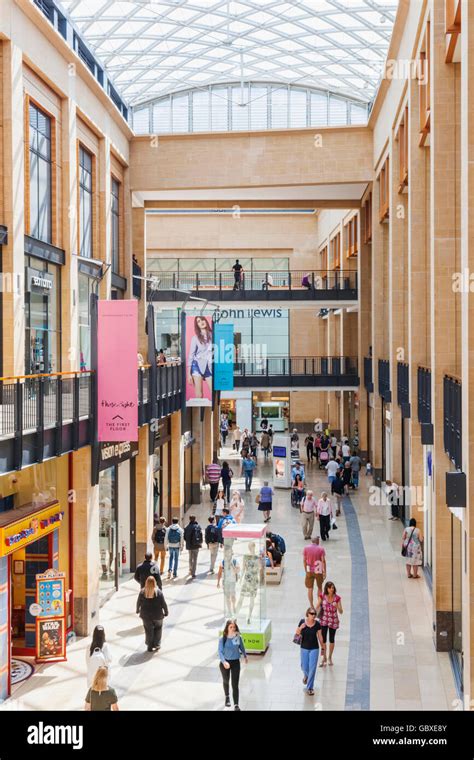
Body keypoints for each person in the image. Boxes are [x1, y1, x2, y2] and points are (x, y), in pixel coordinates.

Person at [295, 608, 325, 696]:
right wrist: (301, 628)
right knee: (304, 666)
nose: (313, 615)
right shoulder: (302, 622)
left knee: (312, 668)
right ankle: (306, 676)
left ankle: (310, 687)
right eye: (311, 613)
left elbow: (320, 637)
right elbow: (296, 633)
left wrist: (323, 648)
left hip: (314, 648)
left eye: (314, 614)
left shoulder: (317, 624)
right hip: (304, 648)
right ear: (307, 613)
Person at [218, 620, 248, 710]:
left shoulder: (237, 637)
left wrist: (245, 655)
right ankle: (227, 697)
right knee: (226, 681)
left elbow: (241, 646)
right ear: (227, 628)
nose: (233, 629)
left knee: (235, 684)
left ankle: (236, 705)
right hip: (225, 663)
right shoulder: (222, 639)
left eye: (234, 627)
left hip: (235, 662)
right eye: (230, 627)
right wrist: (224, 662)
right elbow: (220, 651)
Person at [137, 576, 169, 652]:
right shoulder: (159, 592)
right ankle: (157, 644)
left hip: (146, 616)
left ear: (146, 583)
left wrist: (137, 610)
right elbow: (163, 603)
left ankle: (149, 646)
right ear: (155, 583)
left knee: (148, 630)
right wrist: (166, 612)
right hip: (157, 615)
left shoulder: (142, 592)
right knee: (158, 629)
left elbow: (138, 602)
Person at [317, 581, 343, 667]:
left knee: (331, 639)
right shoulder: (322, 596)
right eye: (330, 588)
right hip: (324, 621)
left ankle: (330, 657)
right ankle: (323, 657)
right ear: (326, 589)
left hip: (333, 621)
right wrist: (313, 612)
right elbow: (317, 605)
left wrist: (337, 607)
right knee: (323, 640)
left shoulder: (337, 598)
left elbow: (341, 611)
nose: (331, 589)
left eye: (332, 587)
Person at [187, 315, 212, 400]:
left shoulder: (213, 335)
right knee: (199, 395)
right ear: (197, 325)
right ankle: (199, 413)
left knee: (213, 392)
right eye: (198, 321)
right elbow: (191, 355)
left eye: (202, 320)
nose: (201, 322)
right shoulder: (195, 338)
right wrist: (188, 374)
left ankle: (212, 413)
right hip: (197, 365)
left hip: (209, 366)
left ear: (206, 321)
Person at [303, 536, 326, 606]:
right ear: (317, 541)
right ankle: (319, 604)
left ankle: (311, 605)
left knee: (310, 589)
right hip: (318, 570)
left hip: (309, 570)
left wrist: (305, 570)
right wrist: (324, 571)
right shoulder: (321, 549)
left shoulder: (306, 548)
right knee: (319, 587)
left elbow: (304, 560)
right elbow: (323, 561)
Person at [217, 546, 240, 617]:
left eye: (229, 553)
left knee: (233, 596)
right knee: (227, 597)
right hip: (225, 582)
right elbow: (220, 572)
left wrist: (233, 566)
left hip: (232, 581)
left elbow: (237, 571)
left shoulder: (235, 561)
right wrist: (218, 582)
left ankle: (233, 606)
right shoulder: (223, 562)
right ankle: (229, 610)